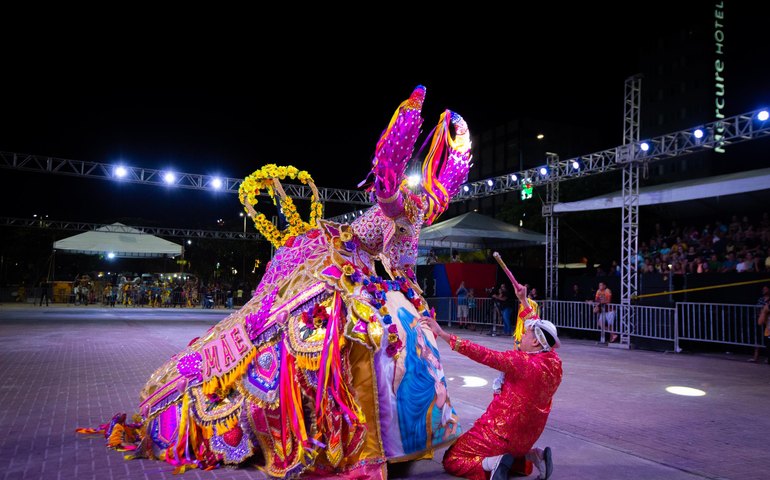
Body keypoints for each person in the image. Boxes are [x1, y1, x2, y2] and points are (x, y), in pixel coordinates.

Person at [423, 276, 562, 480]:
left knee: (453, 458)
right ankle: (534, 455)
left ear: (535, 343)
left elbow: (482, 353)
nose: (521, 335)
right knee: (514, 448)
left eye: (526, 333)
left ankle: (491, 464)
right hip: (526, 438)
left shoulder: (521, 362)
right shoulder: (554, 363)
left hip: (500, 434)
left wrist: (444, 335)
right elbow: (535, 323)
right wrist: (523, 300)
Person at [749, 285, 770, 363]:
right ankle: (756, 357)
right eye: (763, 289)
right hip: (764, 323)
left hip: (767, 323)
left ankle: (768, 358)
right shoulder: (761, 299)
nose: (764, 290)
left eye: (766, 289)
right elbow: (759, 312)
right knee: (759, 339)